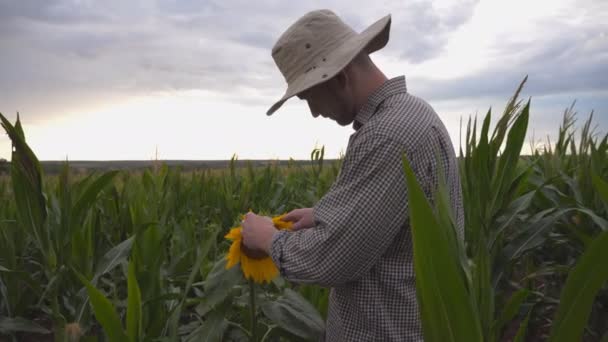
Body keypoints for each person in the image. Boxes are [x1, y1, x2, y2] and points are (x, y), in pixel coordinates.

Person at [241, 9, 464, 342]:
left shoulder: (385, 136)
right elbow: (401, 217)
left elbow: (329, 261)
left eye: (308, 97)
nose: (315, 112)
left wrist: (267, 239)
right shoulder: (415, 112)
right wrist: (325, 216)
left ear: (339, 78)